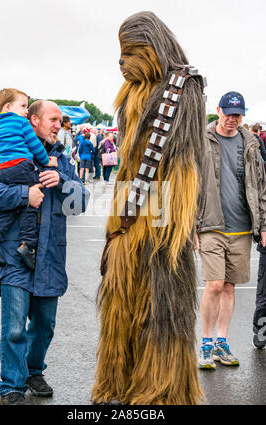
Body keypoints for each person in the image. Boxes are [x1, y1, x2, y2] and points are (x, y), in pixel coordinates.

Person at [91, 11, 207, 405]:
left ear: (153, 48)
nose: (122, 62)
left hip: (162, 228)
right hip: (127, 219)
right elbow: (126, 162)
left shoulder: (183, 87)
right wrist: (118, 224)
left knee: (162, 313)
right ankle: (114, 383)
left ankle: (160, 391)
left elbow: (187, 163)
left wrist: (175, 225)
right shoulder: (129, 96)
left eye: (130, 52)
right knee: (118, 306)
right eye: (120, 54)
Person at [0, 99, 89, 405]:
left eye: (60, 120)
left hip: (50, 256)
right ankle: (11, 386)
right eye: (52, 119)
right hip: (15, 255)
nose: (58, 125)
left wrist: (64, 182)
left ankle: (33, 371)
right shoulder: (4, 150)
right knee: (14, 327)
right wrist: (25, 193)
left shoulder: (63, 161)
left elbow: (79, 205)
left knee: (44, 325)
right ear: (33, 121)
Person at [196, 91, 266, 369]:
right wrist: (190, 226)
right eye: (229, 114)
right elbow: (189, 184)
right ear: (218, 111)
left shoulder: (250, 143)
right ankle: (205, 343)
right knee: (213, 285)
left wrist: (262, 225)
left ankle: (221, 343)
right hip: (210, 224)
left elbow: (260, 187)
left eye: (238, 115)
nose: (233, 120)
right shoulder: (201, 139)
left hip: (241, 227)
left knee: (229, 287)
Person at [0, 88, 58, 270]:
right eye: (23, 106)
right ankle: (28, 245)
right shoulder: (22, 123)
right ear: (8, 107)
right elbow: (35, 146)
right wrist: (48, 161)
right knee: (32, 198)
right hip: (20, 165)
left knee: (9, 209)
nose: (26, 111)